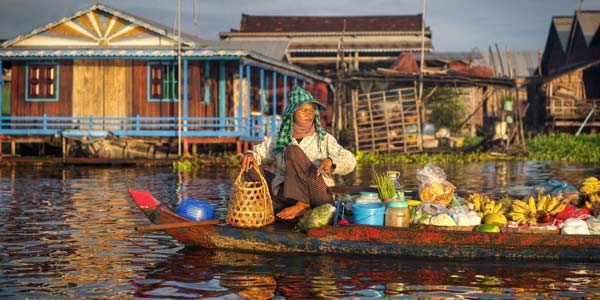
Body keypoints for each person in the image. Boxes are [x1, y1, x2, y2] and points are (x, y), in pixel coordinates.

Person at [241, 87, 356, 220]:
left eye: (312, 111)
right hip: (286, 195)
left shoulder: (324, 139)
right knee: (249, 166)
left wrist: (331, 161)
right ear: (293, 113)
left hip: (317, 194)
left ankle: (303, 205)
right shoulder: (280, 137)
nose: (309, 114)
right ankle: (275, 205)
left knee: (292, 150)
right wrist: (250, 155)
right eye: (304, 111)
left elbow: (350, 160)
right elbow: (259, 153)